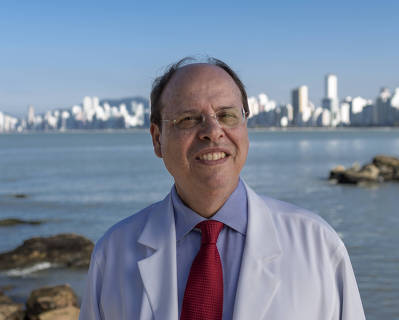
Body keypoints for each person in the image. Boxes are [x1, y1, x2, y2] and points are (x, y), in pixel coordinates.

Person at [79, 57, 365, 320]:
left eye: (227, 115)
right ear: (157, 139)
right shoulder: (113, 252)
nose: (213, 131)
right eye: (188, 119)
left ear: (245, 128)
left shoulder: (319, 245)